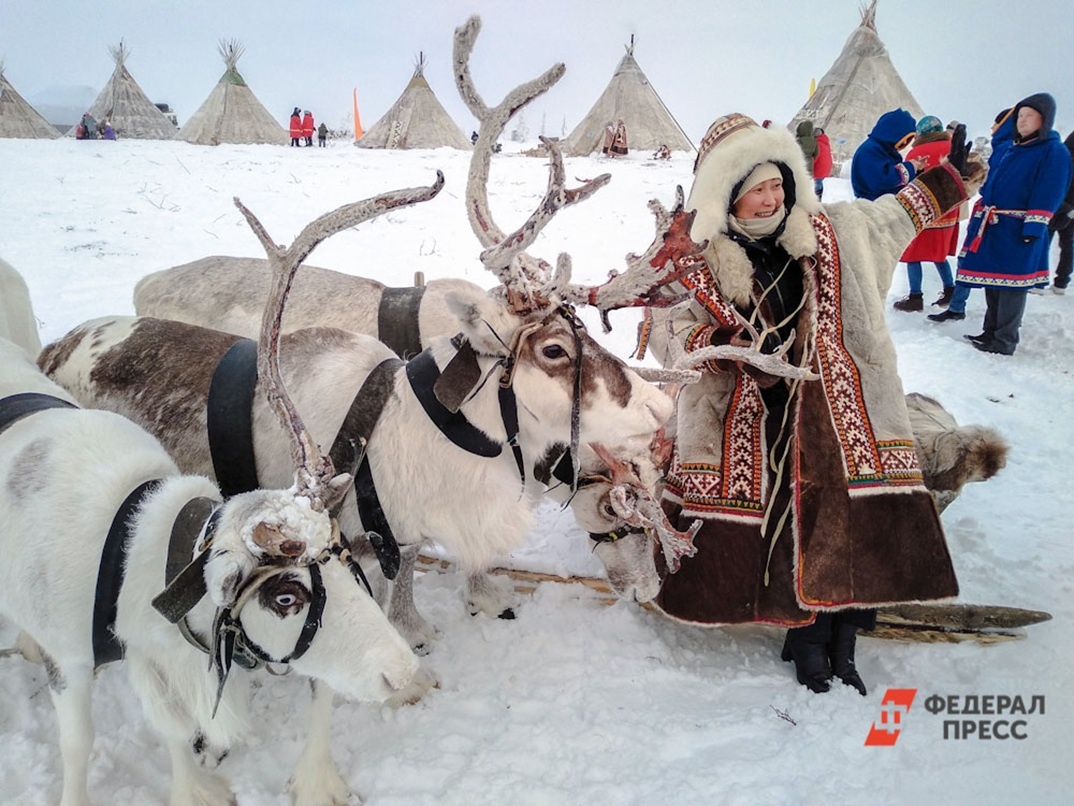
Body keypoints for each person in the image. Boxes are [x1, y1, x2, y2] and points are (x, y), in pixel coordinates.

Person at [652, 113, 978, 696]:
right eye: (758, 189)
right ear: (727, 194)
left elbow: (893, 217)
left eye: (779, 184)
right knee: (786, 533)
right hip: (754, 418)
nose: (773, 198)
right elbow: (667, 331)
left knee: (849, 529)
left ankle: (843, 639)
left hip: (842, 413)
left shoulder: (832, 231)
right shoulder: (699, 258)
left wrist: (948, 181)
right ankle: (804, 640)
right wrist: (724, 346)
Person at [950, 93, 1071, 354]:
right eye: (1019, 116)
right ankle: (990, 332)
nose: (1022, 121)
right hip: (994, 224)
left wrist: (1034, 226)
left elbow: (1050, 190)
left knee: (1012, 286)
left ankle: (1004, 340)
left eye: (1029, 116)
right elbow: (999, 138)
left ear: (1044, 120)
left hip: (1019, 226)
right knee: (994, 282)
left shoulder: (1053, 151)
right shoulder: (1010, 148)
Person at [929, 107, 1016, 323]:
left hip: (995, 217)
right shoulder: (1003, 148)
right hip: (986, 213)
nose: (992, 127)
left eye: (996, 123)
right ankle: (960, 307)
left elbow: (992, 183)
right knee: (967, 261)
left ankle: (999, 324)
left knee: (987, 268)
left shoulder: (1009, 149)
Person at [892, 116, 959, 311]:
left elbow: (908, 182)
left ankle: (915, 296)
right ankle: (950, 289)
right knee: (939, 253)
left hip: (923, 209)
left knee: (913, 253)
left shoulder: (917, 152)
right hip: (948, 210)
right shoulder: (952, 148)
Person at [850, 108, 928, 200]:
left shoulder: (884, 151)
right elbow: (882, 180)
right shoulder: (870, 151)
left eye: (908, 140)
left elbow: (895, 184)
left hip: (881, 203)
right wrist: (910, 167)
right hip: (870, 204)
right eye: (904, 138)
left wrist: (916, 169)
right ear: (894, 132)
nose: (905, 142)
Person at [1046, 131, 1074, 294]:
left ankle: (1037, 279)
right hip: (1071, 209)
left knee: (1044, 241)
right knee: (1068, 244)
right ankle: (1061, 283)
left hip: (1056, 205)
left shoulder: (1063, 159)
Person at [812, 126, 832, 200]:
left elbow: (816, 156)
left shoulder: (817, 143)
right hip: (826, 166)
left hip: (819, 167)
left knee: (817, 183)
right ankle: (818, 197)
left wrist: (811, 164)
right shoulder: (825, 142)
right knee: (819, 181)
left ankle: (817, 199)